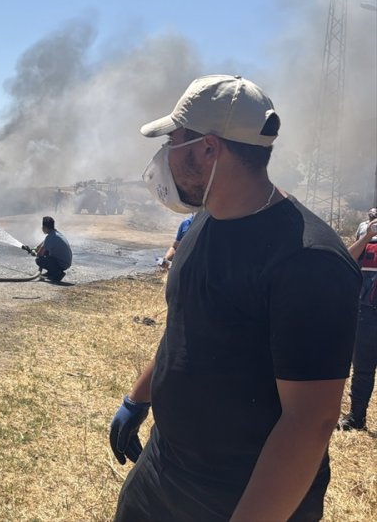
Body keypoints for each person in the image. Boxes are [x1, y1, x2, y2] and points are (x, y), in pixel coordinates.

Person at [108, 75, 359, 521]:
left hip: (236, 495)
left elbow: (310, 421)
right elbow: (186, 324)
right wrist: (138, 398)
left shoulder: (309, 261)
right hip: (164, 471)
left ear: (208, 148)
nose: (164, 154)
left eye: (174, 140)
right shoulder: (208, 219)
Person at [338, 215, 377, 431]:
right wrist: (368, 235)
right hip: (367, 313)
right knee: (363, 368)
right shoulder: (366, 228)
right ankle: (356, 417)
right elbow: (348, 259)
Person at [32, 215, 72, 282]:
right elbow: (44, 243)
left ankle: (57, 274)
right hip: (66, 262)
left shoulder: (50, 237)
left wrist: (35, 253)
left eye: (43, 227)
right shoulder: (54, 233)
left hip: (62, 264)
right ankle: (51, 272)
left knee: (39, 260)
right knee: (46, 252)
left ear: (45, 228)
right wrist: (35, 248)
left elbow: (39, 254)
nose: (42, 228)